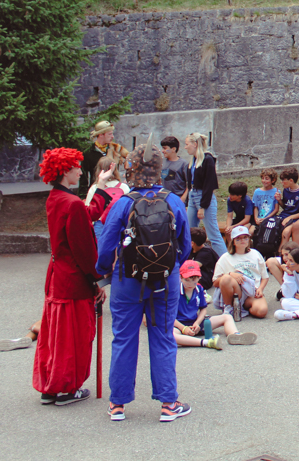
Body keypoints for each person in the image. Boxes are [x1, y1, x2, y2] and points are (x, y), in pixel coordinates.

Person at [97, 136, 192, 423]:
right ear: (159, 169)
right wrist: (172, 266)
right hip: (164, 279)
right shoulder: (173, 201)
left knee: (124, 338)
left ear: (131, 169)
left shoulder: (123, 204)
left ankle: (118, 404)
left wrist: (104, 272)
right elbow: (185, 245)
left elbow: (105, 246)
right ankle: (168, 403)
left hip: (128, 280)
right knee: (163, 338)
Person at [32, 147, 115, 406]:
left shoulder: (56, 198)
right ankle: (68, 387)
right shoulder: (71, 203)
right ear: (66, 170)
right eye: (77, 167)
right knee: (73, 336)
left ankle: (51, 385)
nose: (80, 170)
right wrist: (97, 279)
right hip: (74, 279)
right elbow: (84, 249)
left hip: (58, 275)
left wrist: (99, 187)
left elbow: (84, 215)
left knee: (56, 335)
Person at [173, 261, 256, 349]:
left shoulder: (199, 288)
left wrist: (197, 323)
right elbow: (167, 315)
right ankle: (206, 342)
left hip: (195, 323)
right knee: (171, 336)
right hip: (178, 324)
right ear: (180, 278)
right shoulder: (174, 292)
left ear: (199, 277)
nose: (190, 283)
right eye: (186, 280)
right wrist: (183, 328)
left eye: (194, 279)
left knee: (227, 317)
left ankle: (235, 335)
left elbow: (203, 309)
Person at [211, 225, 269, 321]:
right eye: (238, 238)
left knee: (261, 311)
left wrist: (260, 289)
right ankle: (229, 307)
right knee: (226, 278)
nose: (242, 241)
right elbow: (215, 282)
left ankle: (243, 308)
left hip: (252, 291)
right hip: (236, 292)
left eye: (245, 238)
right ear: (233, 241)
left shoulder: (255, 254)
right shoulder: (225, 257)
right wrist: (230, 274)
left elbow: (265, 277)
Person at [185, 132, 223, 256]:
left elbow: (209, 184)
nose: (186, 147)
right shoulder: (193, 161)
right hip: (193, 195)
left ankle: (224, 259)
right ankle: (189, 257)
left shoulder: (207, 159)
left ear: (195, 144)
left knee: (213, 233)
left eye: (187, 144)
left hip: (203, 197)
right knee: (189, 229)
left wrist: (202, 206)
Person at [78, 120, 128, 197]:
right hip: (97, 191)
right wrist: (83, 197)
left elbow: (132, 159)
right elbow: (83, 179)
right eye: (109, 134)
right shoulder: (88, 153)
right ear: (101, 135)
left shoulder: (116, 148)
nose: (112, 137)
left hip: (116, 190)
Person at [84, 155, 130, 238]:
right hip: (119, 223)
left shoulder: (95, 188)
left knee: (100, 249)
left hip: (100, 224)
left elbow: (88, 209)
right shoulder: (123, 187)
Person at [276, 167, 299, 246]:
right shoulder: (286, 190)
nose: (282, 182)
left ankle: (281, 254)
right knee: (274, 228)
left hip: (296, 218)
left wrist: (291, 217)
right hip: (284, 216)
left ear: (291, 180)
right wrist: (279, 200)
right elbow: (286, 207)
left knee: (286, 232)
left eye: (283, 180)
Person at [222, 181, 254, 250]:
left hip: (249, 221)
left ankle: (245, 249)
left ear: (240, 196)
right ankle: (231, 248)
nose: (229, 196)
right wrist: (228, 226)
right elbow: (229, 216)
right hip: (238, 219)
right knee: (227, 230)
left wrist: (233, 226)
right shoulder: (230, 200)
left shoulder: (247, 201)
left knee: (243, 229)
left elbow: (247, 219)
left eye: (232, 195)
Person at [187, 227, 219, 292]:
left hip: (206, 278)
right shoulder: (193, 249)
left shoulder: (206, 252)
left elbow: (193, 267)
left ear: (192, 243)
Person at [160, 136, 188, 203]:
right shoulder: (161, 162)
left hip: (177, 200)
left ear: (173, 149)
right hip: (163, 200)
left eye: (165, 148)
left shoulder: (184, 164)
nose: (162, 151)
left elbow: (189, 185)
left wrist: (183, 199)